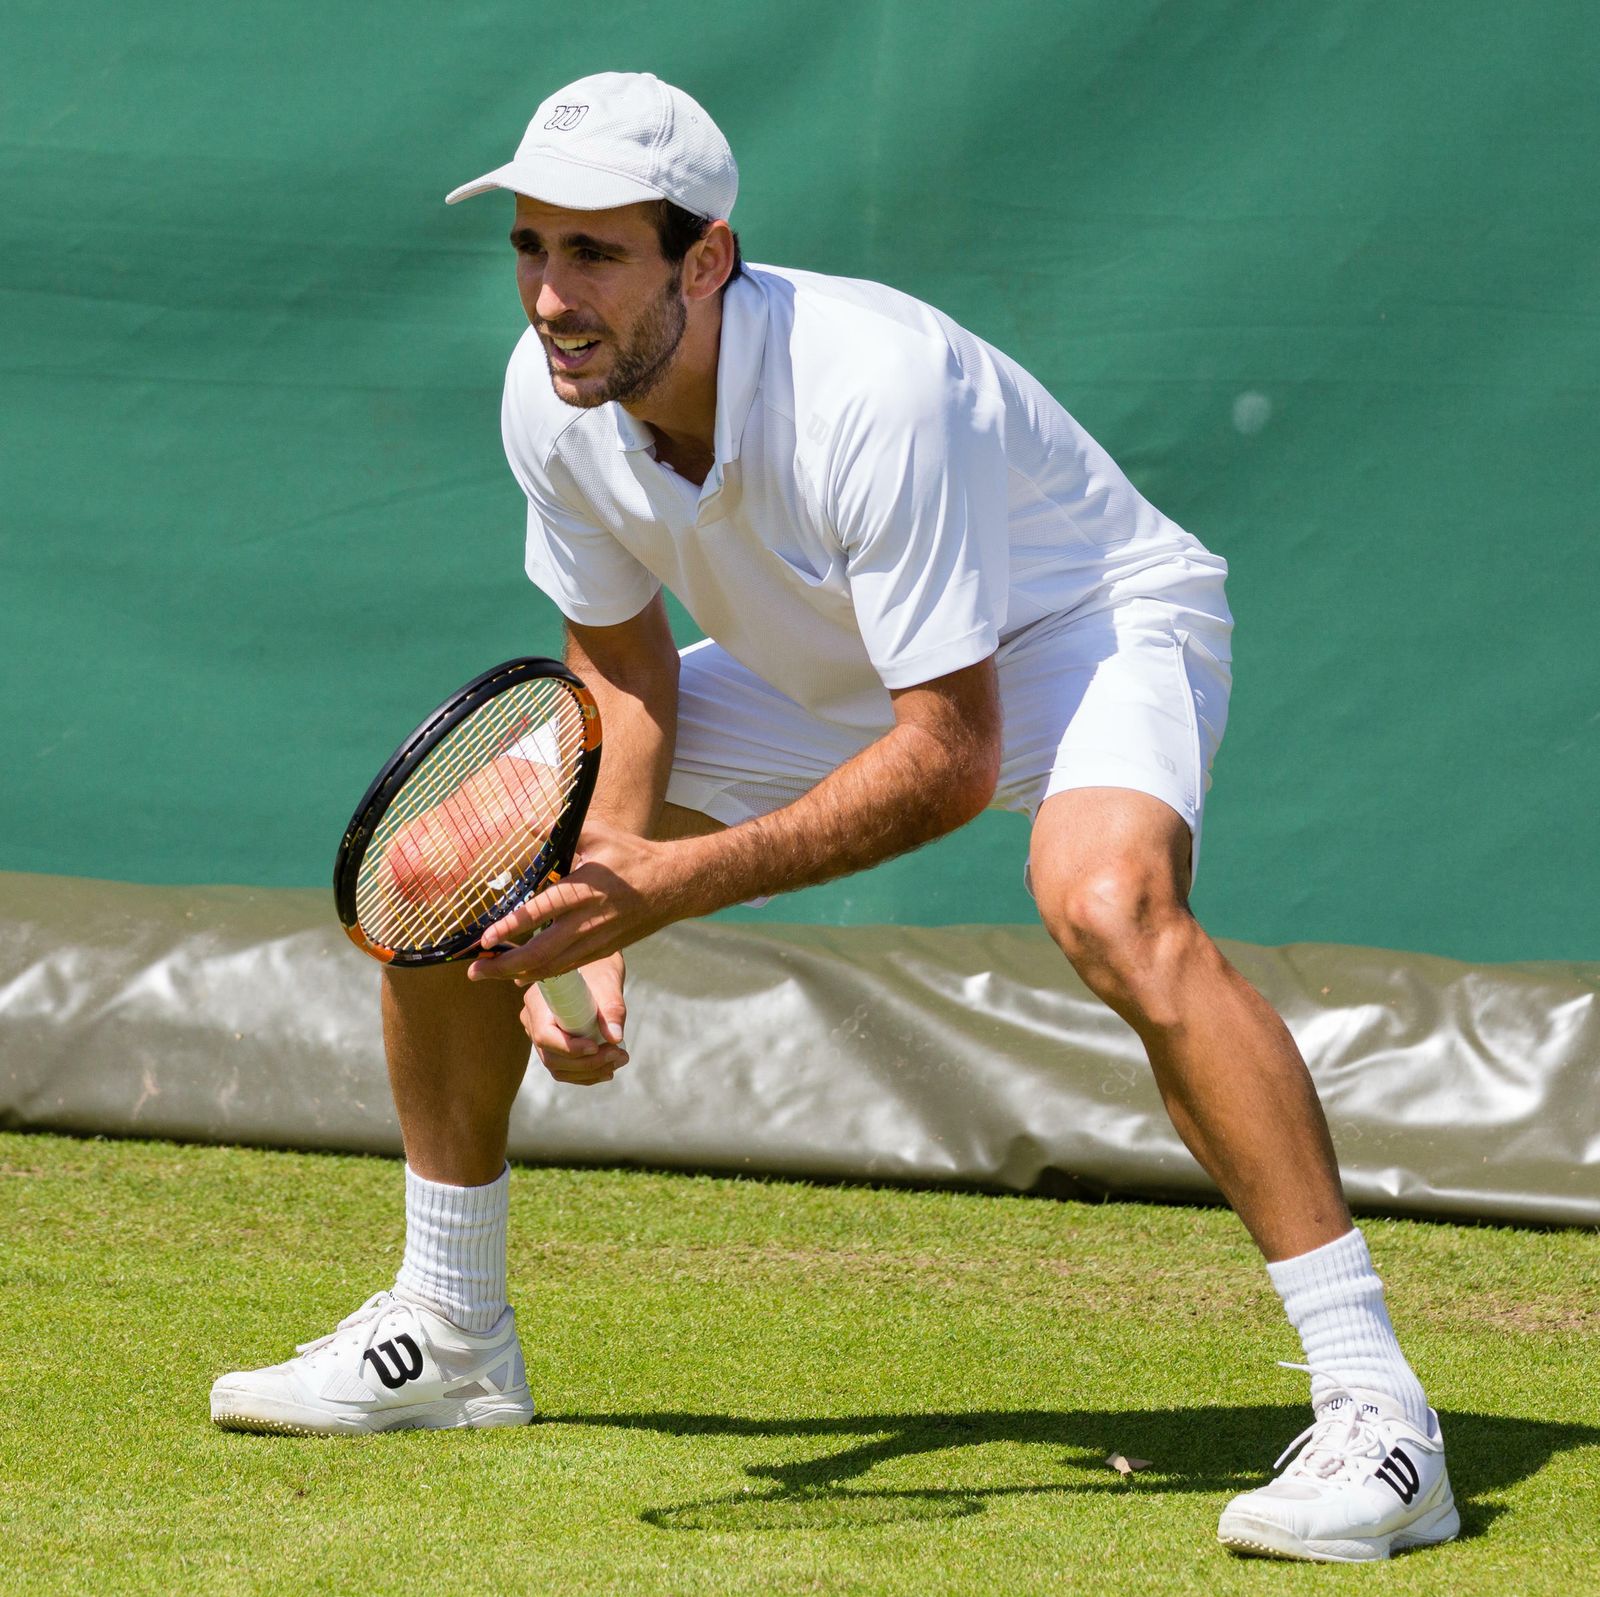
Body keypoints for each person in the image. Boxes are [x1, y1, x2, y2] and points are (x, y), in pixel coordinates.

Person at [211, 72, 1457, 1564]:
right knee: (448, 862)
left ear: (705, 258)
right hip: (836, 663)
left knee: (1109, 902)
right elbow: (622, 666)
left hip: (1077, 634)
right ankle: (451, 1319)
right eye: (531, 248)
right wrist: (593, 891)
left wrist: (661, 890)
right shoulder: (553, 402)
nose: (551, 295)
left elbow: (946, 755)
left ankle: (1380, 1410)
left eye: (596, 252)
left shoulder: (874, 385)